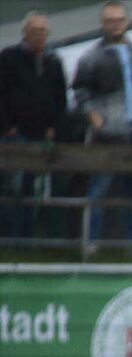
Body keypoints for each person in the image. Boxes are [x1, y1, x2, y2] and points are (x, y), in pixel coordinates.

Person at [72, 0, 132, 255]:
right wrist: (94, 117)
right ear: (102, 24)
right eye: (110, 20)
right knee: (99, 188)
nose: (115, 25)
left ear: (127, 22)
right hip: (108, 132)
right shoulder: (91, 56)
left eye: (119, 20)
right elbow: (80, 91)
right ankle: (91, 241)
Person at [0, 11, 66, 238]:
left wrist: (54, 127)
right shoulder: (8, 58)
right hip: (14, 134)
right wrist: (6, 125)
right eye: (35, 31)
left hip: (41, 134)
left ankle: (27, 237)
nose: (40, 35)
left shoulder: (54, 61)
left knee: (32, 186)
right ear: (25, 32)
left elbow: (60, 99)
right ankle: (9, 237)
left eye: (43, 31)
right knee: (12, 186)